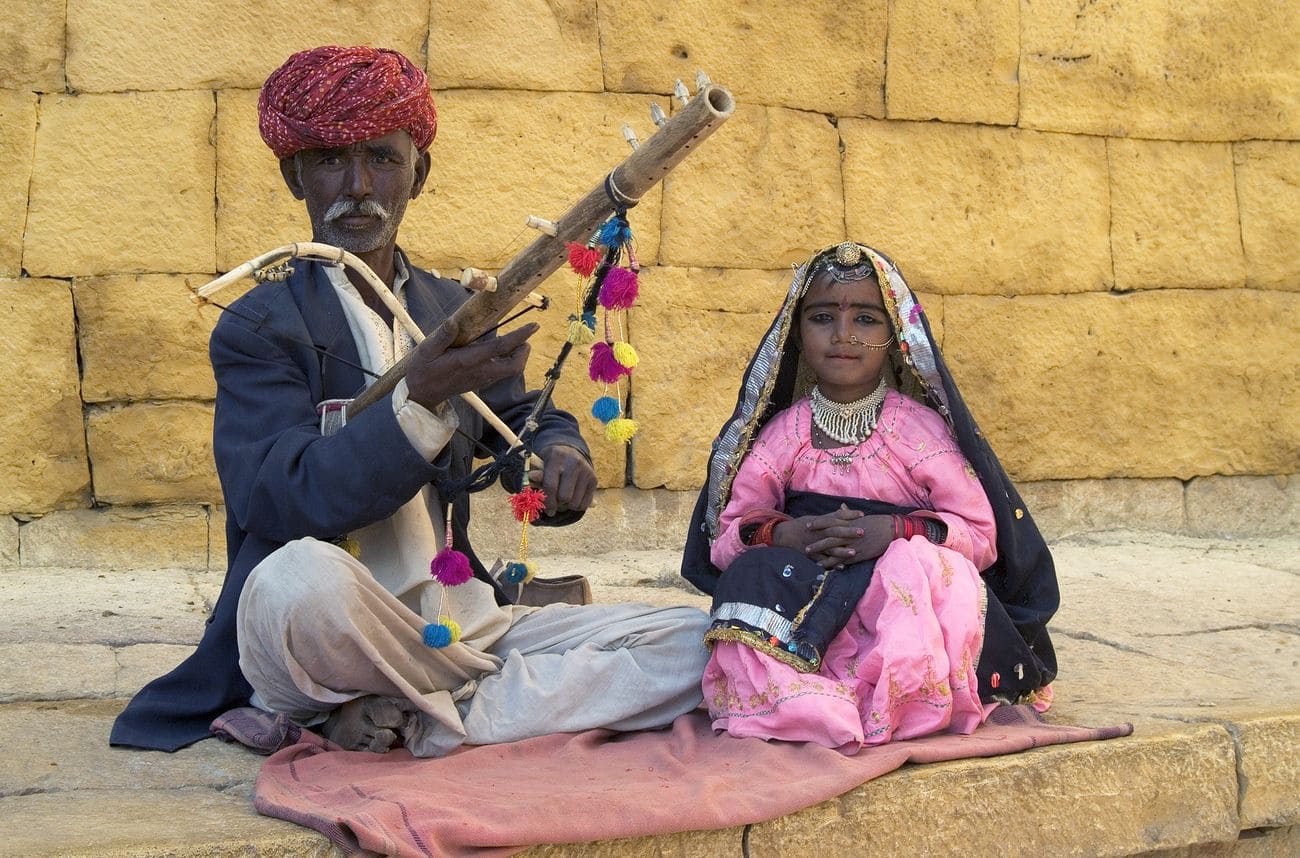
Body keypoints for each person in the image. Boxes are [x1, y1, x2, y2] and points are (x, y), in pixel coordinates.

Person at [110, 45, 708, 756]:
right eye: (332, 160)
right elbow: (277, 496)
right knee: (293, 581)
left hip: (460, 623)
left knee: (702, 641)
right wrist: (417, 403)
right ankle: (470, 703)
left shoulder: (452, 305)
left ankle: (417, 714)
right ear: (294, 174)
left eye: (383, 160)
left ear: (417, 175)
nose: (358, 186)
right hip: (338, 620)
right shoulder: (259, 325)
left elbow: (516, 419)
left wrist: (556, 452)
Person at [680, 241, 1059, 753]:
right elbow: (727, 538)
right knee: (751, 572)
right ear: (796, 331)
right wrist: (784, 534)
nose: (842, 336)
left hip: (895, 606)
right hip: (809, 588)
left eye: (865, 320)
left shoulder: (919, 433)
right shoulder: (782, 435)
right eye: (821, 318)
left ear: (895, 335)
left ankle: (900, 699)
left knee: (921, 567)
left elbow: (982, 537)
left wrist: (896, 532)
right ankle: (804, 700)